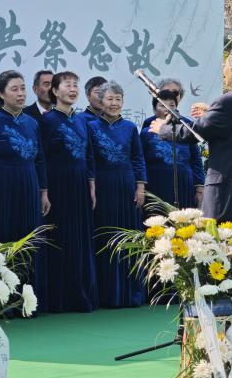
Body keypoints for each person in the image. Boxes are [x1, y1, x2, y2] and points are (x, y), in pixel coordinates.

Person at [150, 45, 232, 343]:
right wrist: (211, 113)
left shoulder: (228, 102)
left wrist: (162, 129)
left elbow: (192, 134)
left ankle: (223, 329)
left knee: (220, 260)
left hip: (228, 194)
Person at [0, 70, 50, 308]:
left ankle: (27, 301)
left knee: (28, 238)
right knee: (3, 237)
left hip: (29, 182)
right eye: (14, 89)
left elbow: (40, 159)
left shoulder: (32, 123)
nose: (20, 94)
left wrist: (43, 191)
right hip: (1, 184)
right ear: (1, 94)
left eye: (22, 89)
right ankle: (1, 301)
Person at [40, 71, 98, 313]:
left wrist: (92, 185)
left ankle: (80, 295)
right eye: (67, 85)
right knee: (60, 237)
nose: (73, 89)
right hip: (58, 184)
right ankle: (59, 298)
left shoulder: (82, 120)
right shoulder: (47, 120)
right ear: (55, 91)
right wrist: (44, 191)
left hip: (80, 184)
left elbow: (89, 154)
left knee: (80, 238)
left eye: (75, 85)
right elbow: (41, 157)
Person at [87, 81, 146, 308]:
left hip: (127, 186)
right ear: (101, 102)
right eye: (109, 99)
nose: (114, 103)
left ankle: (131, 294)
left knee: (129, 236)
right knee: (105, 236)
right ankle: (107, 294)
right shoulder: (91, 127)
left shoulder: (130, 127)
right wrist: (92, 186)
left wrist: (140, 187)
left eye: (118, 99)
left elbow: (138, 158)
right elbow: (90, 160)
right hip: (103, 185)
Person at [140, 91, 204, 210]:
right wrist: (141, 187)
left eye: (171, 105)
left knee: (183, 219)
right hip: (156, 184)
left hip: (184, 184)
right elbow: (140, 162)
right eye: (162, 105)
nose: (167, 109)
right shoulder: (145, 133)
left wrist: (200, 189)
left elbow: (196, 160)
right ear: (154, 109)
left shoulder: (185, 131)